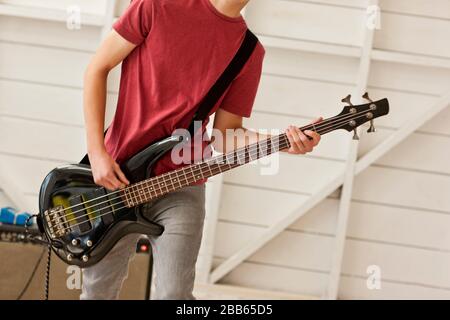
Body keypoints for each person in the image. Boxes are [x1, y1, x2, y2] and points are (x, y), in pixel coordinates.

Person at [81, 0, 321, 300]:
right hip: (118, 178)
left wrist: (283, 142)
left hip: (182, 184)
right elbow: (97, 68)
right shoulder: (156, 5)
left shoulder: (248, 51)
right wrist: (97, 153)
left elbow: (224, 136)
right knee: (97, 293)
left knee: (175, 295)